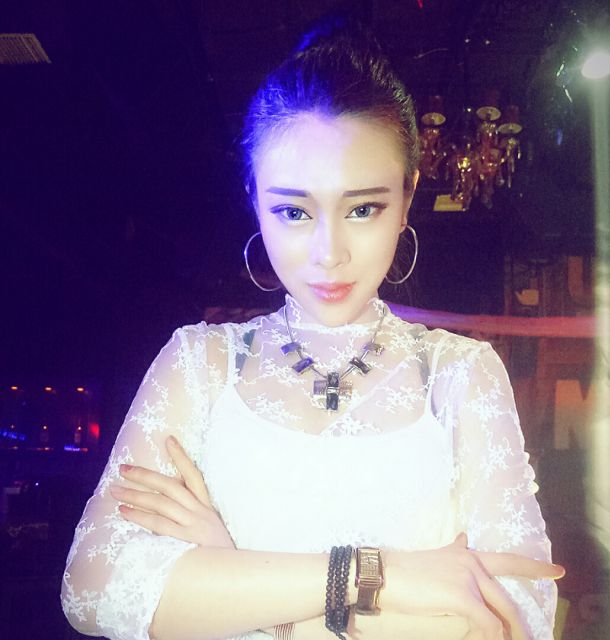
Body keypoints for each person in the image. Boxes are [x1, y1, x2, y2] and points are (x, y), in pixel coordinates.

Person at [61, 18, 563, 640]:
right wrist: (377, 578)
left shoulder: (462, 373)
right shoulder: (199, 362)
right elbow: (93, 588)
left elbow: (520, 619)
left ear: (407, 198)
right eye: (294, 211)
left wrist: (233, 577)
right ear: (255, 199)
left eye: (363, 208)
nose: (329, 253)